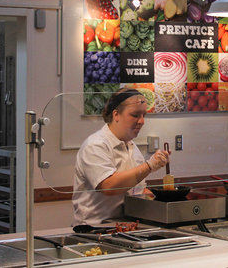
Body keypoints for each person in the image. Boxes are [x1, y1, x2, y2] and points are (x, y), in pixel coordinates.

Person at [72, 88, 170, 225]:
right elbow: (109, 186)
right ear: (116, 114)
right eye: (135, 115)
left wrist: (165, 199)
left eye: (144, 115)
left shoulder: (132, 147)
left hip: (126, 226)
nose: (142, 121)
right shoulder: (95, 145)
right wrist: (149, 166)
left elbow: (137, 190)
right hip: (95, 228)